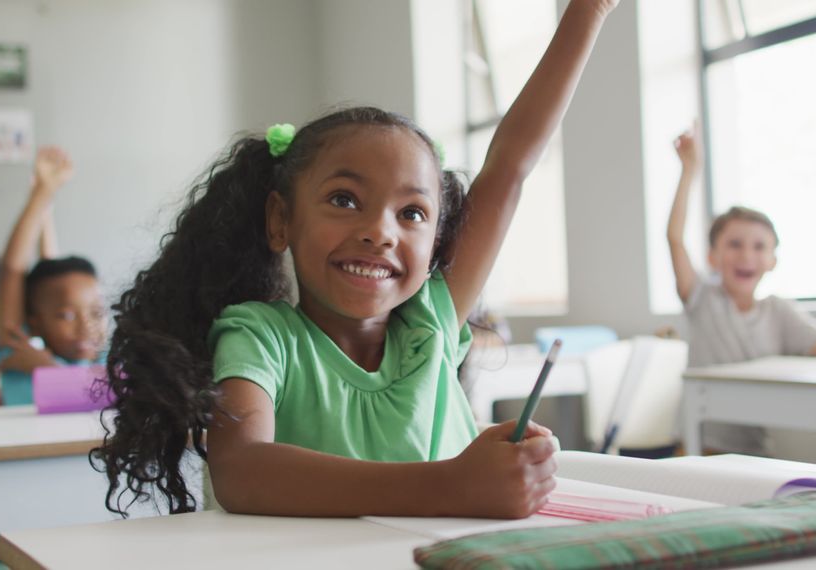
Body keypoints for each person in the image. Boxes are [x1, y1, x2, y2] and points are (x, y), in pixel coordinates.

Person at [94, 0, 620, 518]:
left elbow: (509, 165)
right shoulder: (261, 337)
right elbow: (242, 471)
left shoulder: (432, 321)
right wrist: (451, 485)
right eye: (344, 200)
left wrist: (588, 10)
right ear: (282, 221)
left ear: (437, 241)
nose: (379, 233)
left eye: (412, 213)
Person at [667, 124, 816, 453]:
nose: (747, 255)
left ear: (773, 259)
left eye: (759, 247)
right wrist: (690, 170)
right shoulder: (702, 298)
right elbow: (675, 238)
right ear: (712, 257)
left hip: (755, 452)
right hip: (699, 447)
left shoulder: (778, 310)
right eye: (734, 244)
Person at [0, 146, 107, 405]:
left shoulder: (107, 364)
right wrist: (43, 193)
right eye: (66, 316)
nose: (85, 326)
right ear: (34, 322)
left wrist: (45, 369)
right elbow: (13, 271)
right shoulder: (18, 352)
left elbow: (98, 397)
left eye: (97, 313)